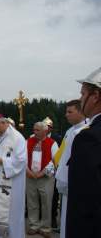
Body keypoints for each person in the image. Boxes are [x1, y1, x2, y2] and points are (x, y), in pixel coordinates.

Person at [67, 67, 101, 238]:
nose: (80, 100)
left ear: (95, 97)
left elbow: (83, 200)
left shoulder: (89, 137)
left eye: (82, 94)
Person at [55, 100, 87, 238]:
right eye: (66, 111)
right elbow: (60, 155)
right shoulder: (69, 131)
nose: (66, 115)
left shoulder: (86, 130)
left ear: (81, 111)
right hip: (65, 182)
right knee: (65, 221)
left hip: (75, 184)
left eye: (70, 112)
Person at [25, 122, 58, 237]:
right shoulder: (28, 141)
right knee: (31, 202)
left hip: (45, 178)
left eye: (37, 130)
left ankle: (45, 227)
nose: (35, 132)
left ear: (45, 131)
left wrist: (41, 173)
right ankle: (34, 225)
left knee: (46, 203)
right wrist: (28, 171)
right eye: (34, 130)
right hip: (29, 176)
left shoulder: (52, 143)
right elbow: (22, 158)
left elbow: (55, 161)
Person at [42, 116, 62, 230]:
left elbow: (58, 156)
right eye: (44, 125)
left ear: (51, 128)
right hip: (39, 170)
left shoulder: (57, 138)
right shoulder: (38, 137)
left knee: (53, 196)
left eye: (48, 126)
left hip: (52, 170)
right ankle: (42, 218)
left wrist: (51, 168)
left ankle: (53, 218)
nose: (46, 128)